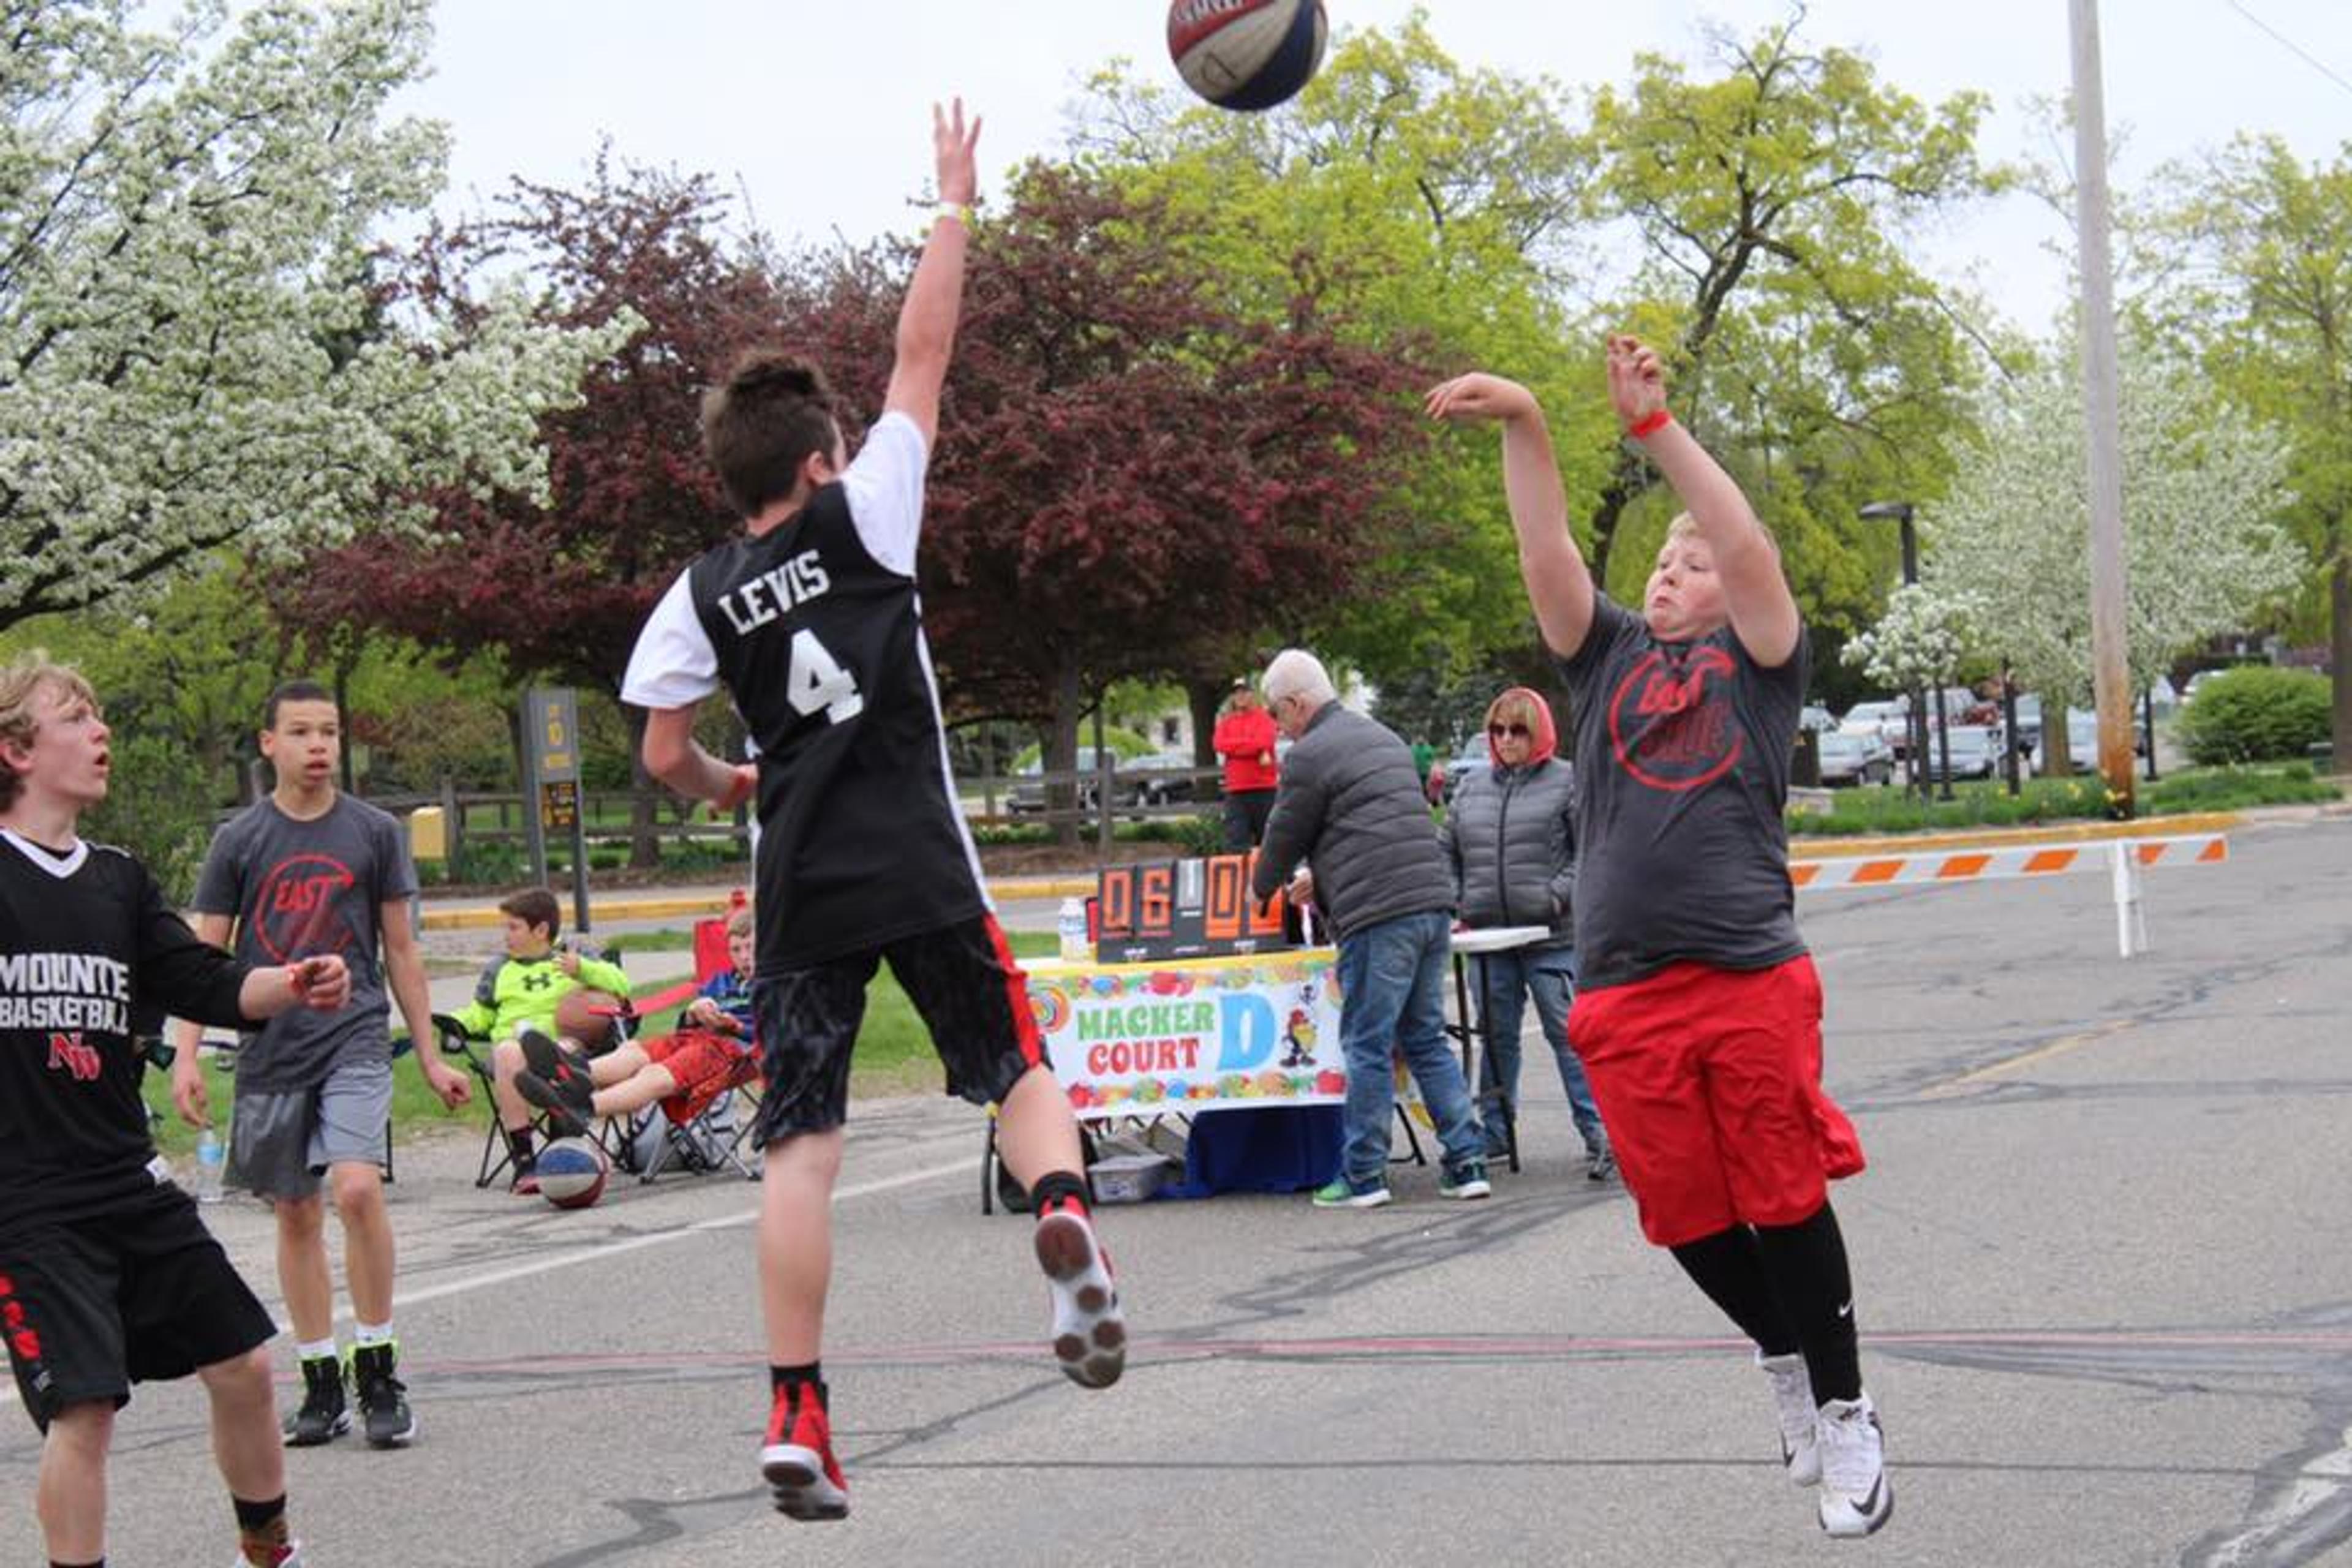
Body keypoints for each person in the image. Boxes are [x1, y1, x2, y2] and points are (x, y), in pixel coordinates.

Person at [618, 99, 1125, 1525]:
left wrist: (732, 782)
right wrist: (949, 202)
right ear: (823, 461)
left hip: (800, 890)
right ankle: (1061, 1211)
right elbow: (923, 350)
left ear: (732, 483)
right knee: (1011, 1063)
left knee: (800, 1143)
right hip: (917, 851)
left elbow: (661, 749)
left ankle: (795, 1406)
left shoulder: (698, 591)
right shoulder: (873, 510)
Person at [1426, 337, 1891, 1538]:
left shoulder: (1762, 665)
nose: (1678, 571)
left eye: (1695, 562)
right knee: (1680, 1211)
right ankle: (1783, 1357)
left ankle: (1844, 1408)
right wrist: (1527, 417)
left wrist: (1658, 434)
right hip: (1624, 987)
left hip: (1745, 970)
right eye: (1665, 561)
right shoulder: (1613, 656)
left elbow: (1748, 545)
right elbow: (1547, 553)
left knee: (1781, 1193)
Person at [1, 653, 352, 1568]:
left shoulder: (116, 879)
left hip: (127, 1177)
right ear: (16, 749)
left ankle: (269, 1549)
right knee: (84, 1408)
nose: (100, 731)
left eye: (99, 715)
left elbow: (201, 979)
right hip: (27, 1201)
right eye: (74, 717)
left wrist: (292, 981)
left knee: (243, 1364)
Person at [170, 680, 470, 1454]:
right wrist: (187, 1054)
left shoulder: (373, 832)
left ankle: (378, 1364)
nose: (318, 746)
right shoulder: (240, 839)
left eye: (329, 732)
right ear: (268, 743)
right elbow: (203, 956)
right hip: (270, 1046)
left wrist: (431, 1054)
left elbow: (400, 949)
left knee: (357, 1185)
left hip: (355, 1035)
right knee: (296, 1212)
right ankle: (320, 1376)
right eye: (300, 731)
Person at [1247, 648, 1490, 1209]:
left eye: (1276, 714)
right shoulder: (1383, 736)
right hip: (1430, 903)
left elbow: (1286, 833)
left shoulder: (1309, 754)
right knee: (1426, 1038)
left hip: (1378, 916)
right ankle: (1467, 1161)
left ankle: (1364, 1174)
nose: (1277, 727)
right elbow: (1365, 828)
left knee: (1367, 1044)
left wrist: (1261, 886)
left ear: (1296, 703)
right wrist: (1321, 878)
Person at [1439, 686, 1613, 1181]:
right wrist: (1459, 898)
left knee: (1572, 1038)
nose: (1507, 739)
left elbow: (1591, 852)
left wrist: (1556, 896)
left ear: (1539, 734)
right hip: (1488, 936)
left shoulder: (1568, 782)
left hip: (1552, 938)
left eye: (1518, 730)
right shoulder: (1472, 788)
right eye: (1498, 730)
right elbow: (1444, 849)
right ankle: (1496, 1133)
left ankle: (1601, 1131)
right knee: (1495, 1040)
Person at [444, 886, 633, 1194]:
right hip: (515, 1055)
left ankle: (562, 1136)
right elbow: (482, 1015)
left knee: (564, 1050)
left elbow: (622, 986)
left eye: (513, 927)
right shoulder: (499, 969)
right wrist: (454, 1022)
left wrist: (583, 969)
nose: (505, 935)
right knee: (507, 1051)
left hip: (567, 1044)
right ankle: (526, 1161)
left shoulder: (573, 957)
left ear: (541, 930)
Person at [516, 904, 760, 1141]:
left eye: (750, 948)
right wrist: (693, 1014)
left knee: (653, 1074)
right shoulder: (721, 982)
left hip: (731, 1052)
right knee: (632, 1051)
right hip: (693, 1040)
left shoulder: (774, 984)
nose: (744, 957)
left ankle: (582, 1106)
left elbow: (776, 1032)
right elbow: (685, 1028)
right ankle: (567, 1070)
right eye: (736, 950)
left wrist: (737, 1027)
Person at [1211, 678, 1280, 850]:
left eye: (1244, 692)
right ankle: (1240, 877)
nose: (1240, 696)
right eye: (1236, 692)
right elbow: (1218, 744)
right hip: (1236, 791)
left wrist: (1234, 749)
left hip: (1264, 789)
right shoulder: (1226, 722)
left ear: (1253, 694)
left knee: (1270, 843)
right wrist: (1250, 745)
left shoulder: (1265, 719)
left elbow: (1263, 742)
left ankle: (1271, 878)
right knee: (1236, 844)